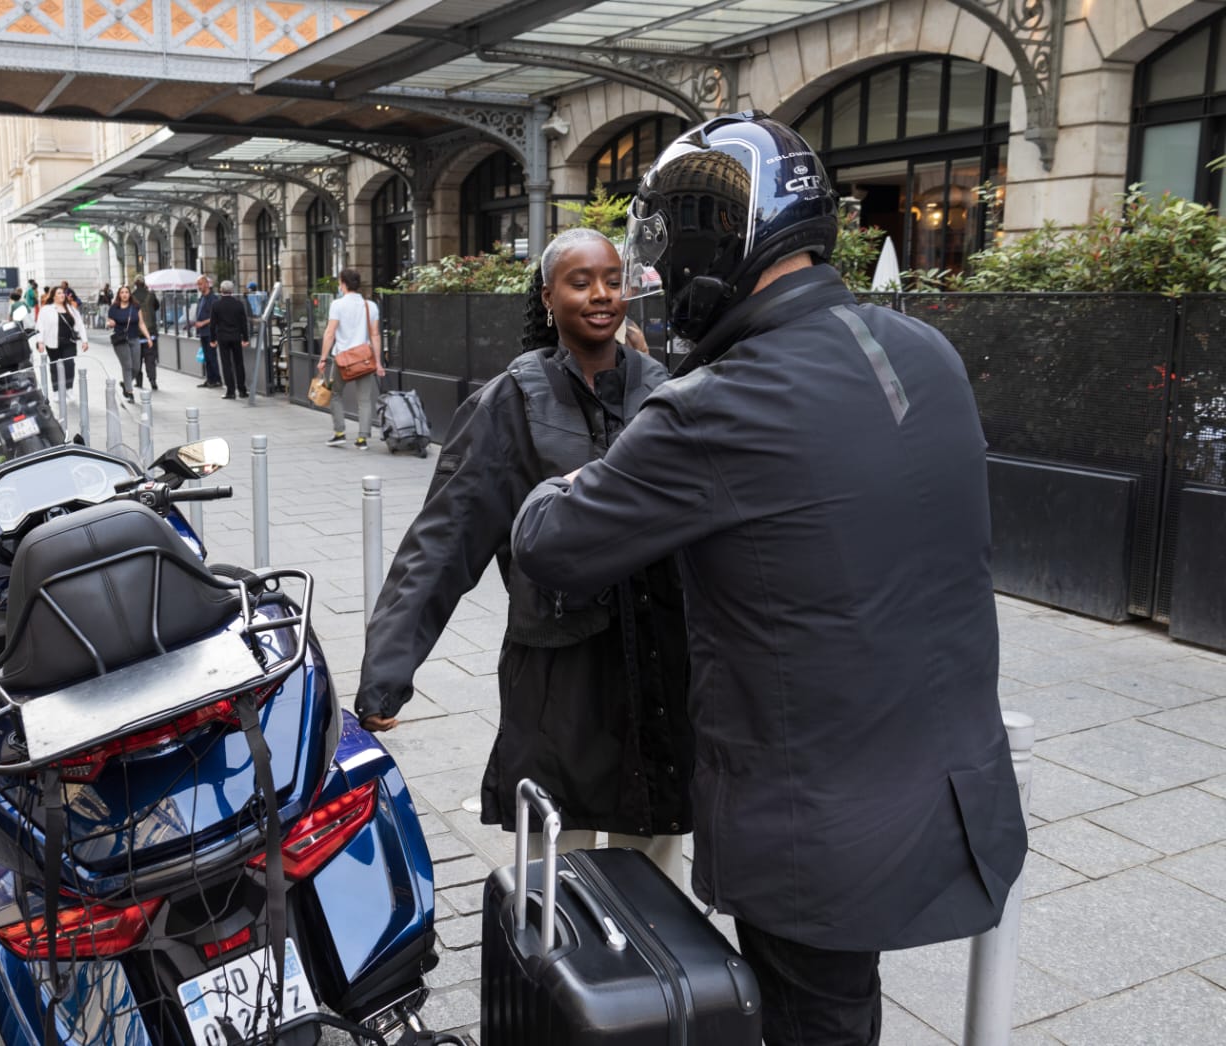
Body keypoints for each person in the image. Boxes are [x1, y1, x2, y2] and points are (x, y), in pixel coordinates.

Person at [509, 112, 1028, 1046]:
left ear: (718, 245)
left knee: (811, 1022)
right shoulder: (927, 354)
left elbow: (553, 540)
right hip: (952, 783)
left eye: (665, 258)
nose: (658, 285)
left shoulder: (715, 404)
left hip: (812, 824)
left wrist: (571, 465)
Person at [356, 229, 692, 884]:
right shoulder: (511, 402)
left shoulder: (664, 391)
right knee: (559, 883)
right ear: (547, 296)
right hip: (560, 675)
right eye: (580, 280)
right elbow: (443, 541)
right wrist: (386, 672)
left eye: (611, 279)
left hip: (656, 675)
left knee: (655, 877)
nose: (601, 294)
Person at [316, 269, 384, 449]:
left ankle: (339, 433)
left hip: (342, 359)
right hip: (364, 359)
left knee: (336, 394)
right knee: (364, 400)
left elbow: (330, 333)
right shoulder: (370, 306)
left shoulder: (337, 305)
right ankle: (362, 439)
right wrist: (378, 362)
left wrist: (323, 358)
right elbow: (375, 335)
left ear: (343, 283)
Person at [36, 284, 89, 392]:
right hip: (52, 342)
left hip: (69, 342)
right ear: (53, 296)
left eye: (63, 293)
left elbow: (80, 324)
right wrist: (40, 341)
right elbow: (40, 326)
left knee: (69, 365)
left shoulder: (71, 309)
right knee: (54, 366)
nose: (62, 295)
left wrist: (85, 340)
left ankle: (69, 389)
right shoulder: (46, 309)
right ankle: (56, 390)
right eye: (59, 293)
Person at [105, 284, 151, 403]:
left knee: (136, 367)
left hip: (135, 339)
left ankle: (126, 384)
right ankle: (129, 393)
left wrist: (148, 337)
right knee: (127, 366)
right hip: (120, 341)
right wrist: (110, 324)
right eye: (122, 292)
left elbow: (141, 323)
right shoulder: (114, 308)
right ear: (119, 295)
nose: (124, 294)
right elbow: (108, 323)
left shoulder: (135, 307)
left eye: (126, 292)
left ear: (129, 294)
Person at [211, 280, 251, 400]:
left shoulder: (216, 305)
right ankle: (242, 390)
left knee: (226, 364)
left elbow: (213, 324)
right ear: (232, 291)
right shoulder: (238, 304)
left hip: (223, 337)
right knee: (239, 363)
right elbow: (244, 323)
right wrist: (245, 338)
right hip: (235, 337)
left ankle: (230, 391)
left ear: (221, 290)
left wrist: (213, 339)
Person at [191, 275, 222, 388]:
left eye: (200, 284)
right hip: (203, 332)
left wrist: (202, 323)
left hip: (210, 332)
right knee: (206, 357)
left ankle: (217, 380)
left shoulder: (213, 298)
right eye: (198, 284)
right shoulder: (202, 298)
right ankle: (210, 379)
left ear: (207, 284)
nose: (199, 287)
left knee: (211, 356)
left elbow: (216, 316)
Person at [131, 277, 160, 392]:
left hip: (136, 334)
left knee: (136, 359)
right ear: (144, 284)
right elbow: (156, 307)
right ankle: (152, 380)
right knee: (150, 359)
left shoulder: (131, 296)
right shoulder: (151, 295)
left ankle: (139, 382)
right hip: (150, 333)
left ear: (135, 284)